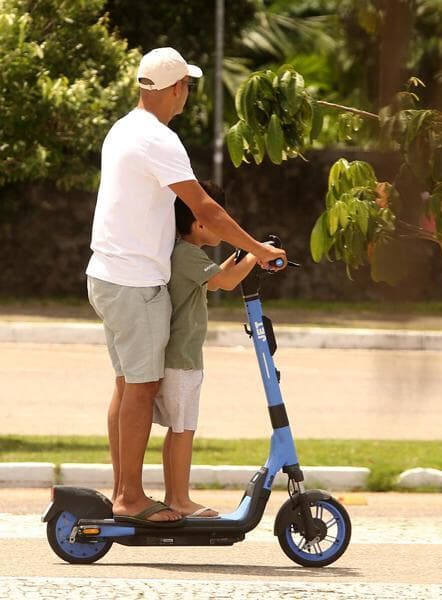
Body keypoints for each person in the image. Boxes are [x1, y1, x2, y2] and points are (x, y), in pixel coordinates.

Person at [86, 47, 286, 527]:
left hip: (108, 274)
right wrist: (259, 248)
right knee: (140, 387)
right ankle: (129, 498)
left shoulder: (123, 129)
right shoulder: (159, 139)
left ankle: (124, 490)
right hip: (134, 281)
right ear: (176, 88)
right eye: (188, 87)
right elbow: (207, 212)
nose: (187, 95)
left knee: (127, 385)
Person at [154, 181, 269, 518]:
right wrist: (256, 254)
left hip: (180, 356)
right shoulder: (187, 254)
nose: (224, 225)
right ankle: (179, 499)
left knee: (178, 430)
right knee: (183, 430)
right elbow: (226, 283)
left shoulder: (184, 253)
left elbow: (214, 278)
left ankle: (175, 496)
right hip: (182, 359)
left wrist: (240, 260)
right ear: (199, 222)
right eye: (219, 219)